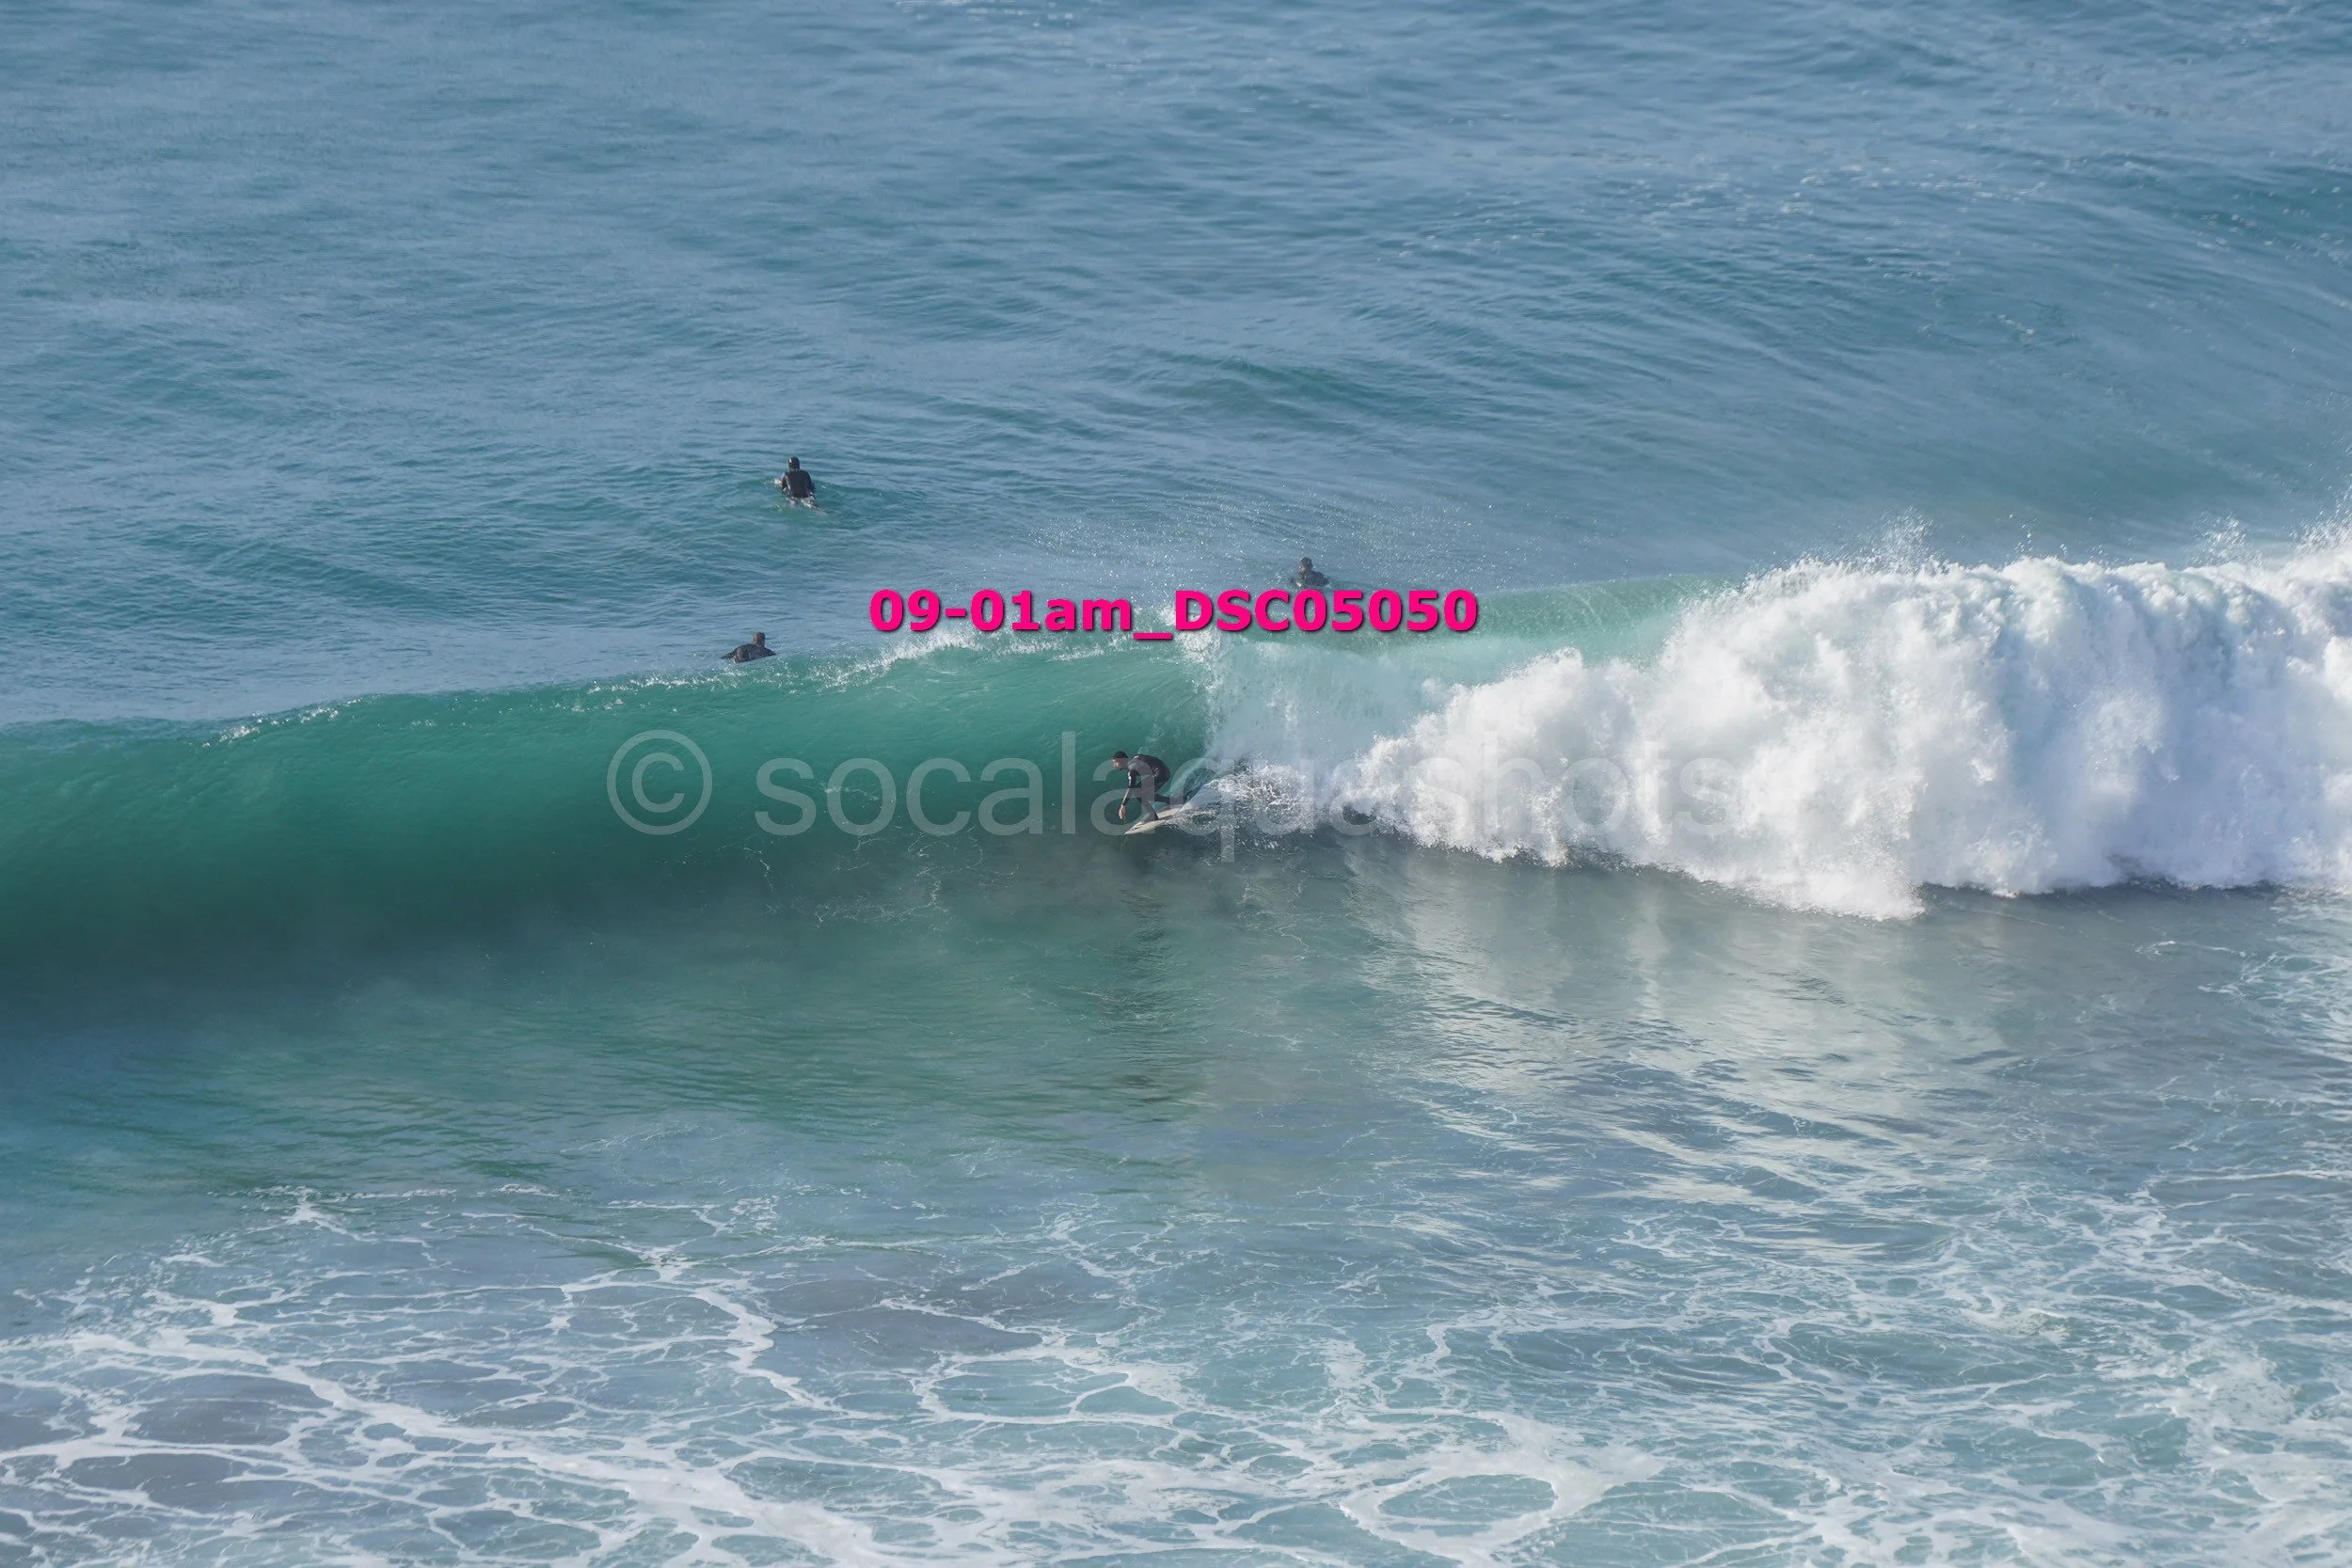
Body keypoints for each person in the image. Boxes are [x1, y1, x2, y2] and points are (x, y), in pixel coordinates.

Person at [1111, 750, 1173, 822]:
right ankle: (1170, 801)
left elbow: (1131, 788)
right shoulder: (1134, 758)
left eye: (1115, 762)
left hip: (1160, 774)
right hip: (1164, 771)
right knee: (1146, 794)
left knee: (1137, 791)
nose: (1114, 765)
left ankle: (1153, 814)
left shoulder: (1131, 769)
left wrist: (1123, 805)